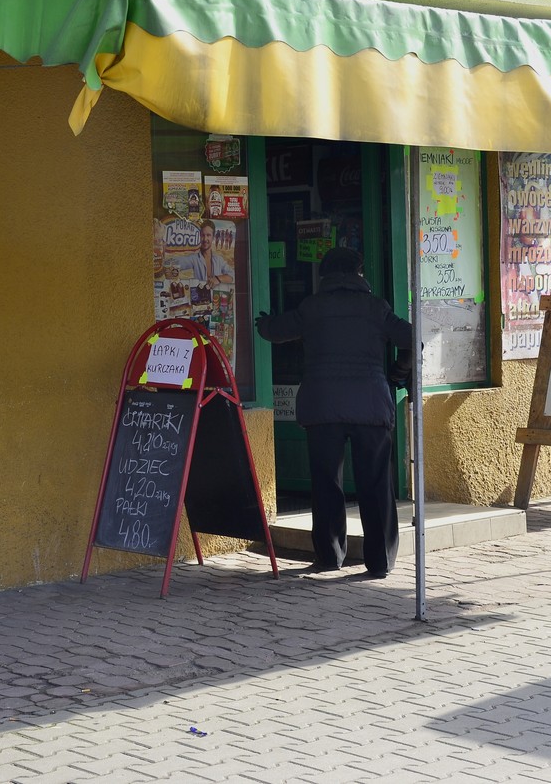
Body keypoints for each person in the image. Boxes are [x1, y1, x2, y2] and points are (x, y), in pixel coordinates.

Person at [255, 247, 413, 579]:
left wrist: (263, 322)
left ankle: (329, 556)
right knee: (376, 483)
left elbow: (274, 332)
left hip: (322, 406)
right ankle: (380, 561)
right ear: (359, 273)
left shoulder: (312, 307)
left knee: (326, 482)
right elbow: (414, 338)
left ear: (325, 275)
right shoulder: (376, 307)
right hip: (370, 405)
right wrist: (399, 372)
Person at [175, 219, 234, 287]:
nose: (205, 239)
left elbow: (232, 275)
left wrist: (218, 279)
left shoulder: (219, 260)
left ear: (213, 237)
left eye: (208, 235)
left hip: (216, 293)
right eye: (203, 235)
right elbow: (177, 262)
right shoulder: (195, 258)